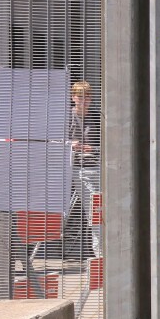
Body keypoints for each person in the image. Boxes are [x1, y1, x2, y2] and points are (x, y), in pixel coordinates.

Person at [69, 82, 102, 258]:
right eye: (80, 96)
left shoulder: (97, 117)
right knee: (95, 210)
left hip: (98, 167)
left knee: (99, 210)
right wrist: (71, 145)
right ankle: (100, 254)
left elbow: (107, 143)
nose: (84, 100)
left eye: (87, 96)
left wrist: (93, 148)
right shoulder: (66, 117)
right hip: (77, 168)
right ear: (73, 97)